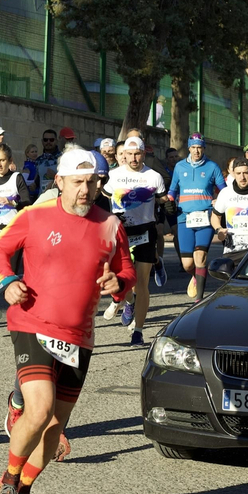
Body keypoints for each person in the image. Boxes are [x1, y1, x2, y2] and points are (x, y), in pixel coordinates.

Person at [0, 149, 134, 494]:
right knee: (39, 409)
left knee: (55, 429)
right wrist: (7, 282)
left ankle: (23, 492)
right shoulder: (35, 217)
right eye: (78, 183)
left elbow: (127, 273)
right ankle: (7, 481)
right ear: (60, 182)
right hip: (32, 324)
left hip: (79, 337)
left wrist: (120, 285)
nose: (86, 190)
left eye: (92, 182)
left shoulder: (110, 225)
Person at [106, 135, 166, 345]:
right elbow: (103, 200)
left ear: (144, 153)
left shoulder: (154, 177)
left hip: (144, 232)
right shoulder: (114, 176)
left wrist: (167, 212)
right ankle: (127, 301)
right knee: (120, 277)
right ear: (123, 154)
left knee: (141, 283)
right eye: (129, 154)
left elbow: (163, 201)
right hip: (121, 232)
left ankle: (138, 331)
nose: (133, 158)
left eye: (137, 153)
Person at [0, 143, 33, 330]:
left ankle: (16, 311)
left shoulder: (16, 178)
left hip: (13, 232)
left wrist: (11, 201)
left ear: (10, 161)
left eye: (2, 160)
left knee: (10, 274)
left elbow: (27, 203)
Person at [166, 135, 225, 300]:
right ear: (189, 148)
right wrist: (169, 201)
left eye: (200, 147)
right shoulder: (179, 167)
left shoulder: (212, 167)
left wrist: (218, 200)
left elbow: (224, 190)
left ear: (204, 148)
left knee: (200, 257)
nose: (197, 150)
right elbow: (172, 190)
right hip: (184, 218)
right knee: (187, 264)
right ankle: (196, 276)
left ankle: (199, 299)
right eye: (193, 147)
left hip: (205, 217)